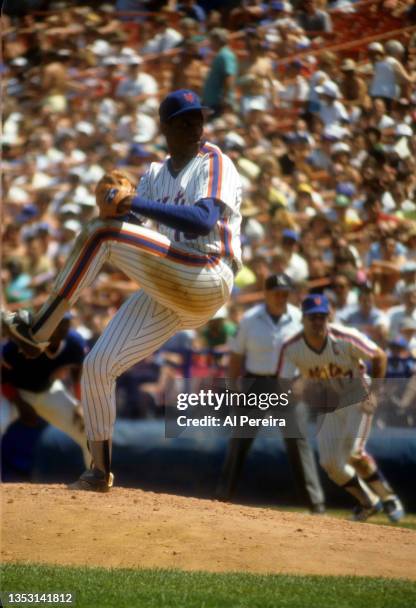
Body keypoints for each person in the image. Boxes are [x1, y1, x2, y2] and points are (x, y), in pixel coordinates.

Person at [3, 89, 243, 492]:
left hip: (207, 272)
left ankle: (39, 329)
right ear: (165, 127)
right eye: (184, 119)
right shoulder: (152, 174)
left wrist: (128, 211)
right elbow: (137, 225)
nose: (194, 125)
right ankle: (99, 470)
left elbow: (203, 220)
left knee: (103, 236)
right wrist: (117, 206)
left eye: (198, 117)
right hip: (169, 288)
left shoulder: (215, 160)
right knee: (98, 365)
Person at [278, 294, 404, 522]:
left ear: (329, 317)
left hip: (357, 396)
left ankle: (389, 498)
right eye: (312, 317)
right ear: (303, 319)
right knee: (330, 463)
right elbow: (285, 381)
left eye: (322, 316)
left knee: (354, 453)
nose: (318, 321)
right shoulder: (292, 347)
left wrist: (375, 394)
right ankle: (368, 502)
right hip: (328, 403)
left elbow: (379, 356)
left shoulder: (345, 337)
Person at [216, 273, 326, 513]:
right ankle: (223, 497)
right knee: (240, 441)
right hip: (256, 383)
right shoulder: (250, 319)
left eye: (285, 293)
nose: (280, 297)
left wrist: (304, 381)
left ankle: (316, 505)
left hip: (290, 384)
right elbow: (236, 355)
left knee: (298, 443)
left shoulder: (299, 318)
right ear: (265, 293)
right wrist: (234, 387)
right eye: (276, 292)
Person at [1, 314, 89, 467]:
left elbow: (78, 370)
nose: (64, 327)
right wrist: (20, 404)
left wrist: (80, 403)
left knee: (87, 429)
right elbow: (3, 378)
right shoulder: (19, 344)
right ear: (46, 324)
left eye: (67, 323)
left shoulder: (74, 341)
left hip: (48, 391)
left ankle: (97, 478)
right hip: (13, 393)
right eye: (59, 322)